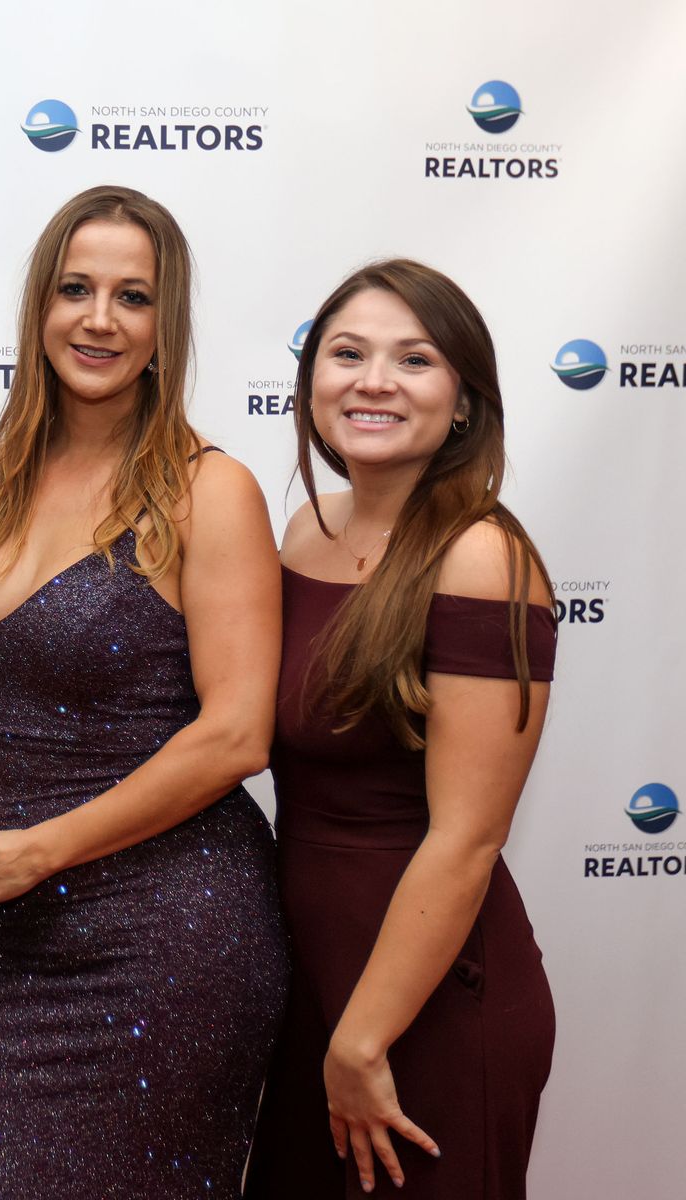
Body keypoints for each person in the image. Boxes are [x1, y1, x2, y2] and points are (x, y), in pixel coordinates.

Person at [0, 184, 290, 1197]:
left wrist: (43, 848)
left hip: (170, 932)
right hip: (20, 930)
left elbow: (237, 735)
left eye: (133, 297)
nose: (99, 319)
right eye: (76, 289)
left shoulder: (208, 490)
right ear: (40, 306)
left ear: (166, 328)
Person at [244, 259, 557, 1199]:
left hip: (427, 1000)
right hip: (313, 984)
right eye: (347, 354)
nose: (373, 381)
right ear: (311, 383)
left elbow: (468, 837)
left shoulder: (483, 557)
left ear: (463, 403)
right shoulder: (303, 531)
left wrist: (364, 1038)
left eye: (414, 360)